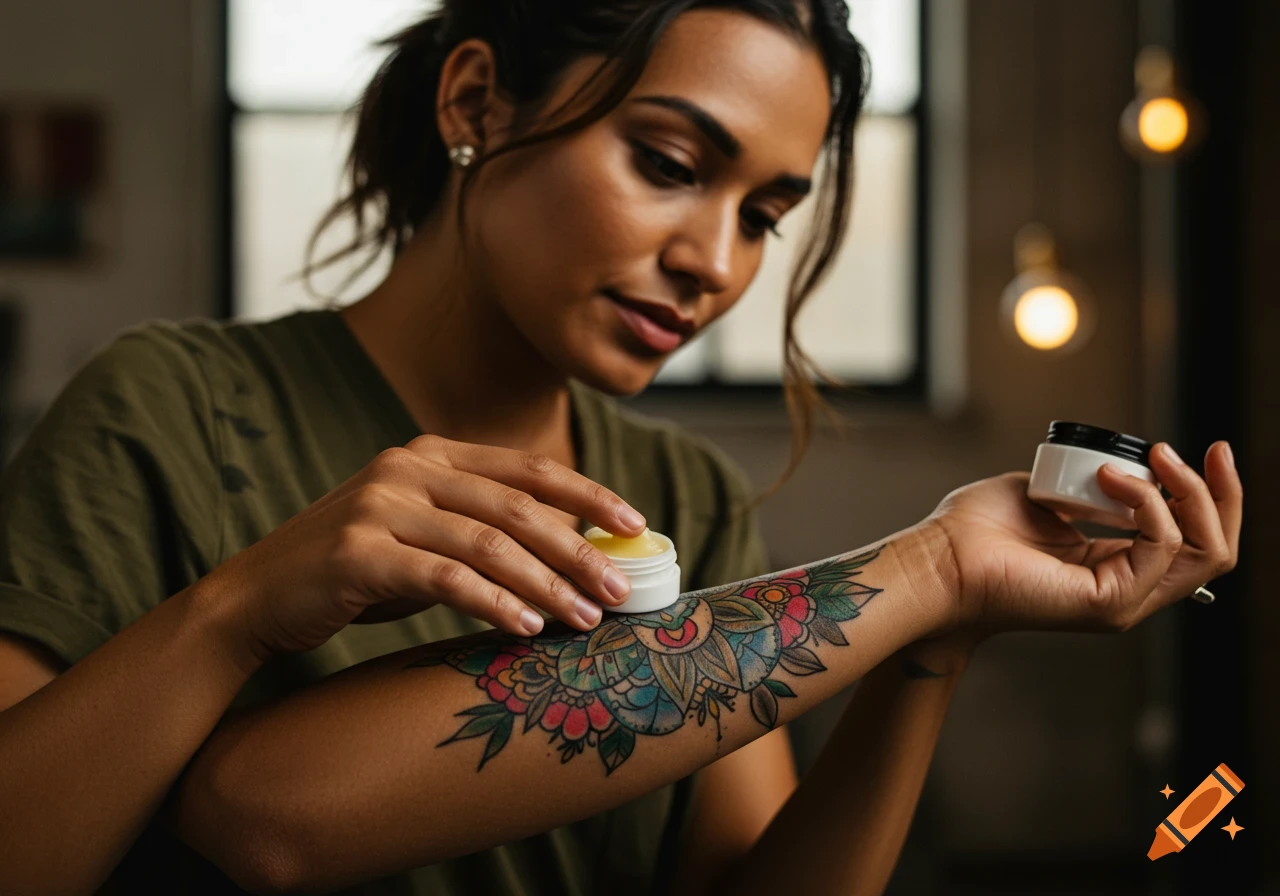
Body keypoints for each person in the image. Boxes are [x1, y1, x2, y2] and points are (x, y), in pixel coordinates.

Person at [0, 2, 1242, 894]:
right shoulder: (168, 409)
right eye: (667, 163)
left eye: (761, 213)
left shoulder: (680, 497)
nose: (715, 260)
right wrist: (236, 612)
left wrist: (942, 624)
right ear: (476, 100)